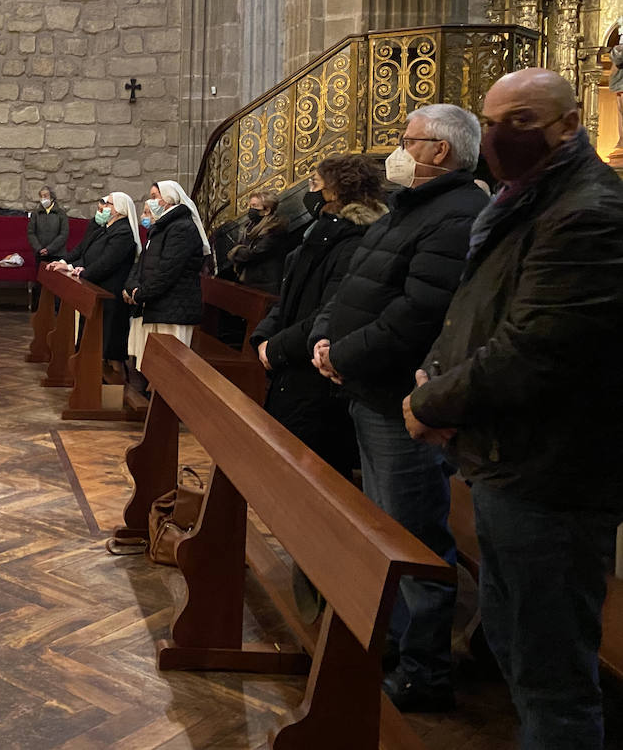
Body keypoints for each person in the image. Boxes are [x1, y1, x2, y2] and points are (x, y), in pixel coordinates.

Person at [404, 69, 623, 750]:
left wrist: (428, 399)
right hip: (508, 457)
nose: (501, 135)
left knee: (550, 677)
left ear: (570, 123)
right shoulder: (523, 199)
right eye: (492, 119)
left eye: (522, 120)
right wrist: (439, 376)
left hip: (551, 473)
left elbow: (535, 349)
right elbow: (483, 311)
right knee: (518, 645)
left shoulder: (587, 212)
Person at [309, 103, 487, 712]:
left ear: (440, 151)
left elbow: (419, 313)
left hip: (398, 400)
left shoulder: (457, 215)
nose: (398, 150)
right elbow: (356, 283)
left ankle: (425, 668)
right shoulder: (409, 208)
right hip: (369, 390)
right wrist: (326, 339)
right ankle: (392, 640)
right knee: (384, 527)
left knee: (413, 536)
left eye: (408, 140)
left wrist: (346, 354)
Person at [252, 154, 386, 475]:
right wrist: (264, 338)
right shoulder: (317, 234)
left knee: (313, 474)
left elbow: (331, 310)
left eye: (315, 184)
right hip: (292, 367)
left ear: (336, 192)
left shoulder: (355, 241)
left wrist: (277, 347)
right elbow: (288, 298)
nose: (309, 192)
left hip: (316, 375)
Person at [123, 180, 209, 393]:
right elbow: (143, 264)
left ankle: (166, 414)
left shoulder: (182, 228)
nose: (151, 201)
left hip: (174, 308)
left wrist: (140, 294)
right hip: (158, 304)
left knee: (170, 370)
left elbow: (168, 270)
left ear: (169, 198)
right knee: (156, 367)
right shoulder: (161, 226)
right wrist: (134, 288)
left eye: (154, 196)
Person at [48, 192, 139, 371]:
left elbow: (107, 262)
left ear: (120, 209)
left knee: (110, 343)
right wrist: (72, 267)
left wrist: (83, 273)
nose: (104, 207)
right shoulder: (105, 228)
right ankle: (90, 373)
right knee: (96, 339)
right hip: (96, 289)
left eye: (109, 204)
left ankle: (113, 382)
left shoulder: (123, 233)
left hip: (111, 293)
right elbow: (89, 255)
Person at [225, 190, 287, 294]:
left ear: (267, 210)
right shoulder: (249, 226)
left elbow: (254, 253)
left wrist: (235, 251)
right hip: (249, 281)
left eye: (254, 206)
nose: (250, 210)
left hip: (265, 285)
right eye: (250, 206)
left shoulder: (275, 230)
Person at [27, 185, 69, 263]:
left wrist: (49, 249)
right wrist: (39, 248)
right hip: (40, 255)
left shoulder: (61, 214)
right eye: (41, 196)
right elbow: (31, 233)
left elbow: (64, 234)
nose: (43, 198)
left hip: (57, 255)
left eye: (45, 196)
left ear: (52, 198)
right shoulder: (35, 214)